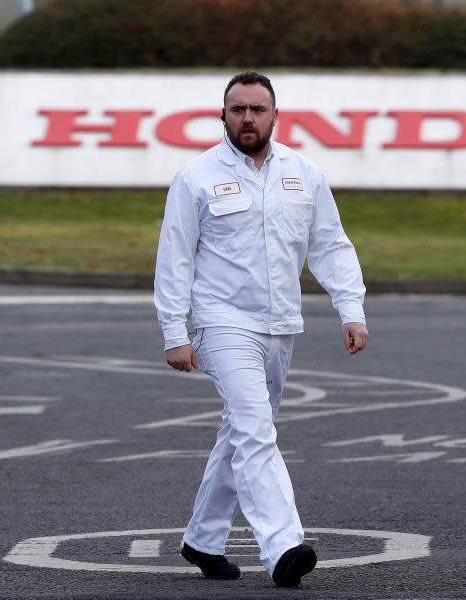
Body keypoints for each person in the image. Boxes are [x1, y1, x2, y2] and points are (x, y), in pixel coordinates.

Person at [153, 70, 368, 588]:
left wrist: (351, 308)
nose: (247, 118)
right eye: (237, 109)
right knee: (255, 430)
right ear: (222, 115)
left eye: (257, 109)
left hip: (280, 325)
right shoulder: (196, 177)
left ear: (275, 115)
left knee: (240, 432)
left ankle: (202, 540)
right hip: (221, 322)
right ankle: (284, 546)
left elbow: (330, 245)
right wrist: (173, 332)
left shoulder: (304, 173)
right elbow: (174, 258)